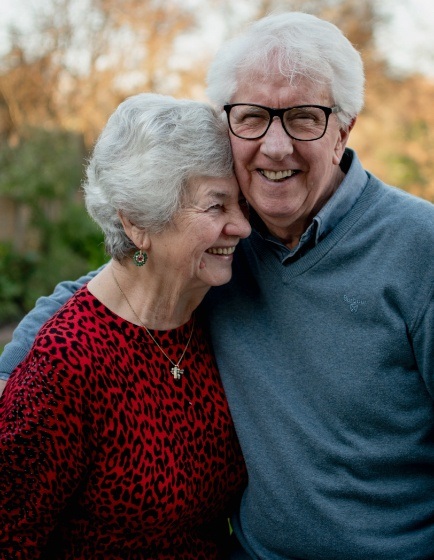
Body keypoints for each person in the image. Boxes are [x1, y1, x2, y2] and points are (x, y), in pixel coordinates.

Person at [2, 11, 434, 559]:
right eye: (253, 117)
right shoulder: (229, 242)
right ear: (231, 124)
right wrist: (14, 379)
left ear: (343, 128)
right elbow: (109, 285)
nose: (275, 147)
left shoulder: (420, 250)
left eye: (304, 118)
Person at [0, 92, 251, 558]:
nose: (242, 226)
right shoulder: (67, 364)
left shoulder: (207, 315)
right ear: (137, 222)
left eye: (241, 205)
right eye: (217, 207)